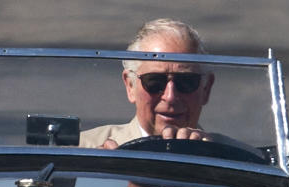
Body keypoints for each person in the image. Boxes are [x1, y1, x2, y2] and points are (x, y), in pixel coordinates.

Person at [80, 18, 214, 149]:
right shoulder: (82, 151)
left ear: (206, 89)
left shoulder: (229, 159)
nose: (170, 97)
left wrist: (207, 156)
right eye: (154, 82)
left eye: (186, 82)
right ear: (130, 86)